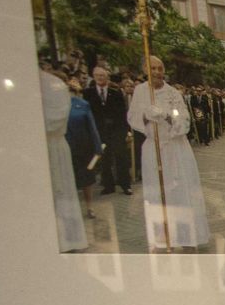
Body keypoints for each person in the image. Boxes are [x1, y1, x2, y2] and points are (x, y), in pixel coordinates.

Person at [126, 55, 212, 251]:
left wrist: (166, 116)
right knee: (157, 193)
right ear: (146, 70)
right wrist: (146, 117)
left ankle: (187, 237)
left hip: (175, 149)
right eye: (153, 68)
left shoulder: (173, 93)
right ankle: (163, 237)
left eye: (160, 68)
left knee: (181, 193)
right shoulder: (140, 91)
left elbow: (184, 120)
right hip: (153, 149)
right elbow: (132, 117)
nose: (157, 72)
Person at [39, 62, 85, 251]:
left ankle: (68, 239)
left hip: (53, 145)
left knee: (60, 193)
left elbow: (54, 120)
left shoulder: (54, 86)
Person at [84, 65, 132, 196]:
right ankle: (108, 186)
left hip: (116, 131)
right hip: (99, 132)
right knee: (105, 159)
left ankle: (125, 185)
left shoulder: (115, 93)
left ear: (107, 77)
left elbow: (123, 113)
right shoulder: (88, 93)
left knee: (121, 157)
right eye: (97, 75)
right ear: (94, 77)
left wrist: (125, 131)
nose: (100, 78)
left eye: (102, 75)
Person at [64, 76, 101, 222]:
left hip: (83, 146)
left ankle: (89, 207)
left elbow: (92, 127)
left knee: (86, 179)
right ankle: (72, 210)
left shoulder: (83, 104)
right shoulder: (59, 106)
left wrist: (97, 146)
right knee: (70, 179)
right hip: (67, 146)